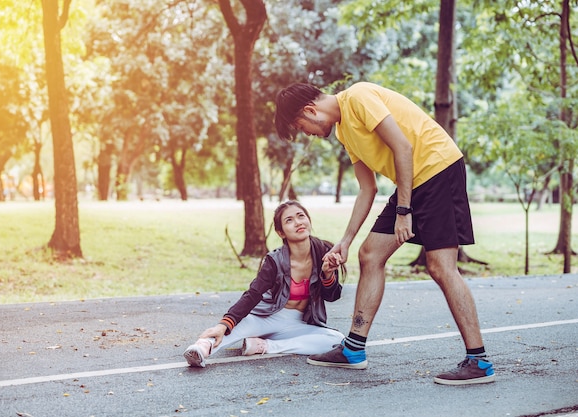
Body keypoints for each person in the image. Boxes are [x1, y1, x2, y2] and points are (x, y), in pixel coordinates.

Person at [273, 82, 495, 385]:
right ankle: (354, 349)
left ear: (310, 110)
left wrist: (404, 212)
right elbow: (368, 188)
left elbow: (403, 147)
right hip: (413, 180)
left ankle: (479, 361)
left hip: (437, 168)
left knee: (441, 267)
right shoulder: (343, 131)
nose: (307, 134)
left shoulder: (359, 97)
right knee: (369, 254)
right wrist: (346, 240)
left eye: (301, 126)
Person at [183, 200, 346, 368]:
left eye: (301, 216)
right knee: (233, 329)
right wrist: (224, 324)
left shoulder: (324, 252)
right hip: (267, 317)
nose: (298, 222)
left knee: (337, 341)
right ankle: (201, 348)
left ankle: (264, 346)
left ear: (308, 220)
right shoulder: (274, 260)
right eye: (289, 220)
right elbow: (254, 294)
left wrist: (327, 273)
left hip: (299, 323)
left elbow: (332, 296)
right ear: (280, 232)